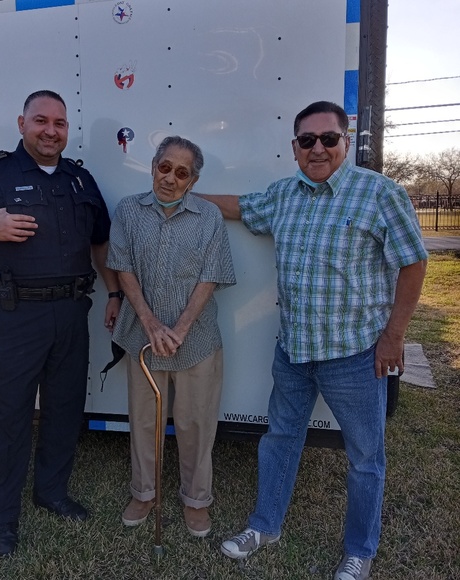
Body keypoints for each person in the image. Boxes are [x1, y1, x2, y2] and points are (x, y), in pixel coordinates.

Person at [198, 101, 427, 580]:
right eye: (307, 140)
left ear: (346, 141)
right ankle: (264, 526)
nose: (317, 148)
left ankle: (359, 551)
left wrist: (395, 336)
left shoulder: (379, 193)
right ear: (295, 147)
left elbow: (413, 262)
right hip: (294, 351)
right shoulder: (284, 194)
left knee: (365, 458)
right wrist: (183, 191)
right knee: (280, 440)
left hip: (355, 355)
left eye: (328, 138)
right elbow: (239, 207)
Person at [0, 90, 121, 556]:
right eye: (41, 121)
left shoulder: (79, 178)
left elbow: (100, 242)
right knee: (10, 416)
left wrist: (115, 291)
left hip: (71, 312)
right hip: (18, 317)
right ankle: (2, 518)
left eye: (59, 123)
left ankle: (51, 492)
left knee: (65, 409)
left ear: (67, 129)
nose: (50, 131)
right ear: (22, 124)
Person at [106, 136, 236, 537]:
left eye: (182, 173)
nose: (170, 178)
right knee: (144, 422)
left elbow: (211, 276)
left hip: (195, 342)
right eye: (165, 167)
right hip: (143, 339)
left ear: (192, 181)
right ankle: (144, 493)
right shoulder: (128, 210)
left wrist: (179, 330)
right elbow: (123, 267)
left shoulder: (208, 217)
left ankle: (196, 499)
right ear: (153, 167)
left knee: (196, 424)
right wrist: (150, 323)